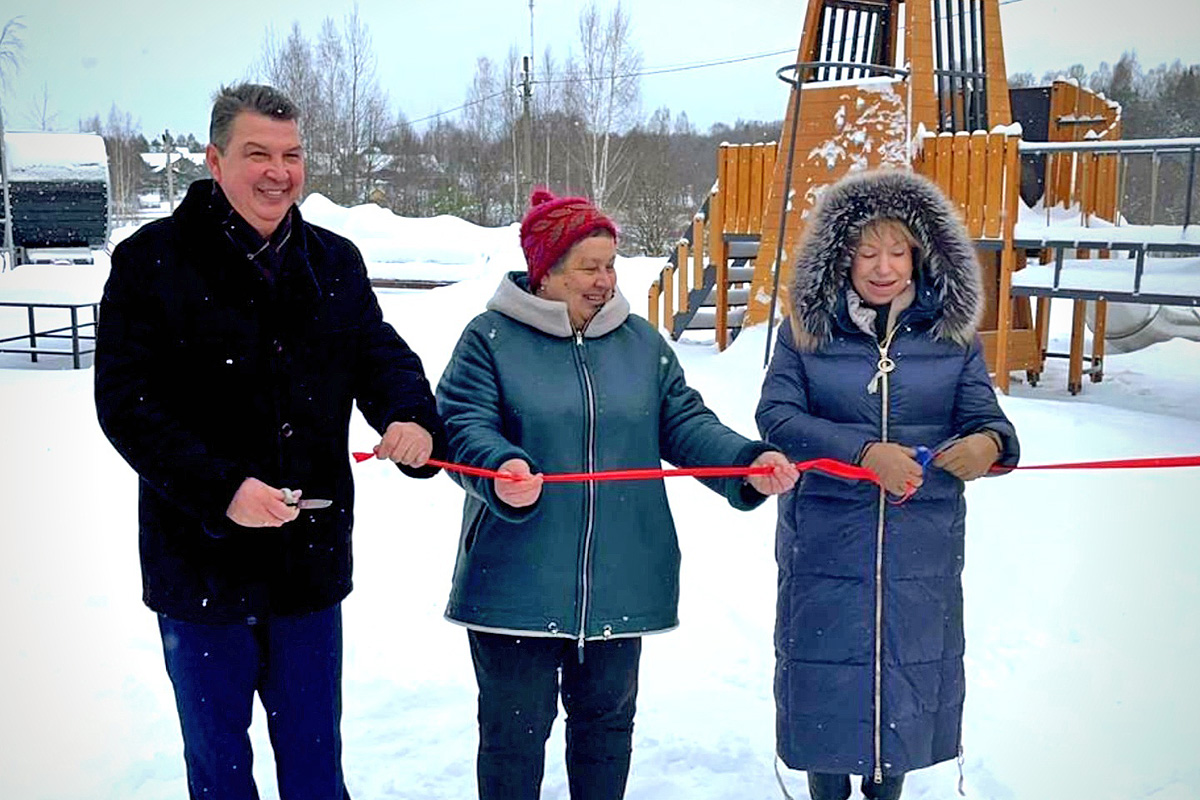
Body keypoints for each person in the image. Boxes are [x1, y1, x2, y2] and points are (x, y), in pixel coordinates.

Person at [94, 83, 444, 800]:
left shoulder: (334, 262)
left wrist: (408, 415)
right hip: (199, 569)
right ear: (215, 161)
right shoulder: (150, 262)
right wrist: (221, 490)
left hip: (305, 568)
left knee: (316, 768)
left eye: (291, 154)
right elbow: (127, 403)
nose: (278, 171)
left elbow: (379, 356)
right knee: (220, 771)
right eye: (258, 153)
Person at [435, 188, 798, 800]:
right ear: (545, 271)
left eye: (610, 265)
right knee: (513, 735)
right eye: (588, 267)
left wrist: (745, 462)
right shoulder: (489, 339)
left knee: (606, 729)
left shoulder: (640, 344)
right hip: (515, 580)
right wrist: (499, 467)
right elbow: (463, 424)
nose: (604, 281)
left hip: (620, 578)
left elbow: (684, 424)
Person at [755, 169, 1020, 800]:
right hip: (825, 542)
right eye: (866, 252)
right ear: (840, 256)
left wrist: (989, 444)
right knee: (827, 678)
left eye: (897, 251)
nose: (882, 268)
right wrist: (865, 452)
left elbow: (989, 421)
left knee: (900, 680)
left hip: (918, 550)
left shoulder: (951, 339)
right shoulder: (804, 333)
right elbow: (777, 418)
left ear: (920, 254)